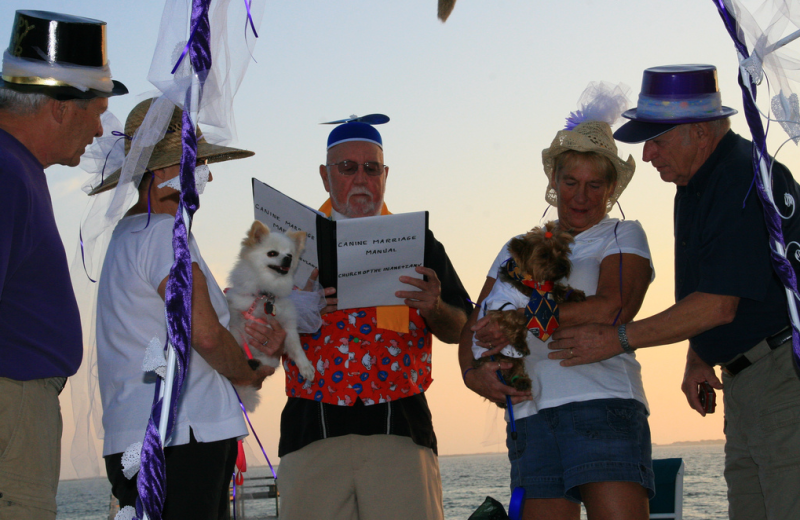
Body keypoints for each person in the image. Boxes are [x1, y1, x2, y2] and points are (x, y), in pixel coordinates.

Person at [549, 64, 800, 520]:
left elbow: (721, 304)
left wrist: (619, 339)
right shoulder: (695, 184)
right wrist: (699, 355)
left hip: (785, 378)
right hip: (749, 382)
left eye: (657, 140)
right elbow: (709, 293)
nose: (647, 156)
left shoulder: (740, 177)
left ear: (700, 133)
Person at [459, 103, 656, 519]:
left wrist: (514, 321)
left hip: (603, 404)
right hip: (530, 417)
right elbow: (475, 323)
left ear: (611, 187)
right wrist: (472, 374)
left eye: (594, 185)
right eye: (571, 181)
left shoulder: (623, 233)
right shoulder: (516, 245)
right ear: (553, 178)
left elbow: (614, 308)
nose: (581, 196)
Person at [94, 98, 283, 519]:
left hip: (138, 437)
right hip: (181, 439)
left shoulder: (127, 236)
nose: (208, 175)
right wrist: (249, 373)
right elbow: (205, 334)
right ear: (162, 173)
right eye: (197, 166)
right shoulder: (164, 234)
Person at [276, 116, 471, 520]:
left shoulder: (419, 240)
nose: (360, 178)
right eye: (347, 168)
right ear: (325, 176)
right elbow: (256, 333)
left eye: (371, 168)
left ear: (385, 175)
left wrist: (433, 307)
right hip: (311, 433)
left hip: (400, 431)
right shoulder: (288, 244)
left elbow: (462, 330)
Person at [0, 11, 127, 519]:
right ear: (58, 108)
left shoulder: (16, 168)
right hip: (14, 411)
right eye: (96, 110)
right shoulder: (8, 173)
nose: (100, 128)